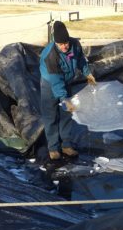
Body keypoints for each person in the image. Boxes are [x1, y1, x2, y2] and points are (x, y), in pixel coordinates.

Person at [40, 21, 96, 160]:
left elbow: (81, 60)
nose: (64, 46)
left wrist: (87, 73)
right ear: (55, 42)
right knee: (51, 116)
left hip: (67, 81)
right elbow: (57, 83)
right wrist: (64, 99)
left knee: (66, 114)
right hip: (49, 84)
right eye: (60, 44)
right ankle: (53, 147)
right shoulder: (50, 55)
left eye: (65, 43)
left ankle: (66, 145)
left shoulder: (75, 44)